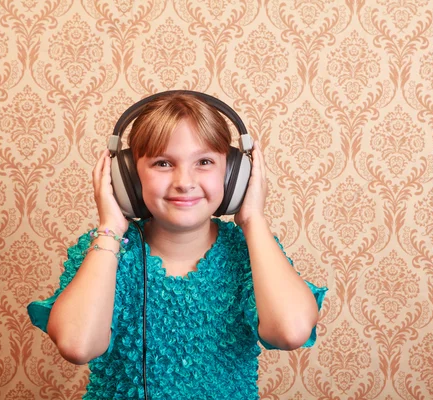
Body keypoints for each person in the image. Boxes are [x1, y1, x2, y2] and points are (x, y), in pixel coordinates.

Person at [27, 92, 327, 399]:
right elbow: (78, 346)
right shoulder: (107, 251)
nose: (184, 181)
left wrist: (254, 221)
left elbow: (291, 332)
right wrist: (110, 230)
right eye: (163, 163)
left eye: (205, 162)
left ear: (235, 175)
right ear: (127, 177)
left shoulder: (250, 253)